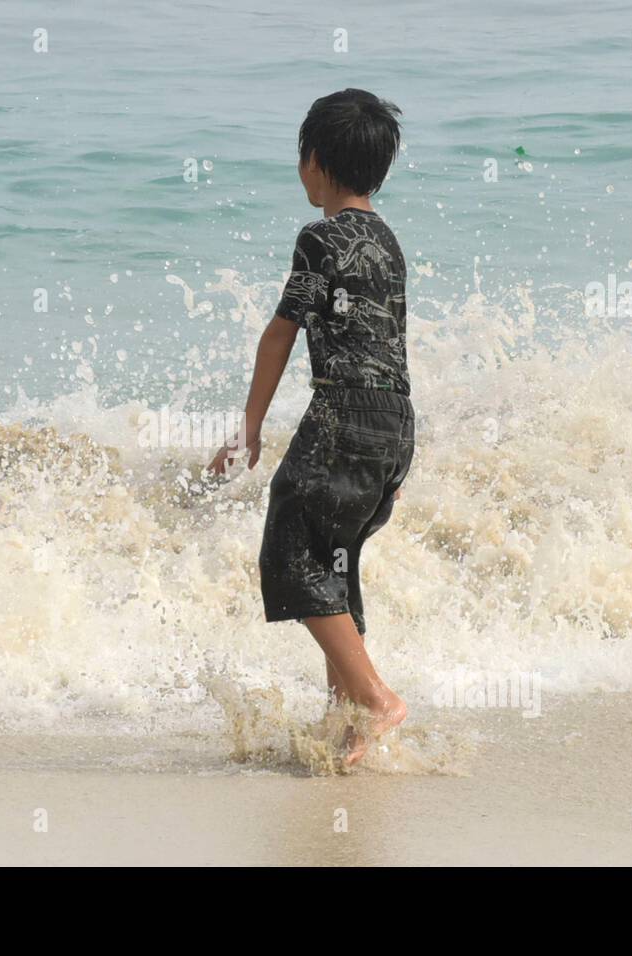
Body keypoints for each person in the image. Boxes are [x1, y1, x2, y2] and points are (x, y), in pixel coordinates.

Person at [209, 89, 414, 766]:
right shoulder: (388, 241)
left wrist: (249, 427)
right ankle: (348, 721)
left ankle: (377, 700)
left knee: (292, 546)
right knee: (335, 560)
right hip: (395, 423)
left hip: (343, 414)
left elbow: (280, 334)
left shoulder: (320, 237)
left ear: (315, 162)